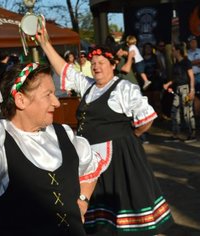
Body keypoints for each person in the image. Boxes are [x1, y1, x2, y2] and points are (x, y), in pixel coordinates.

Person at [0, 36, 106, 235]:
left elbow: (91, 168)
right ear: (20, 100)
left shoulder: (64, 134)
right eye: (48, 95)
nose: (56, 102)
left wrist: (83, 201)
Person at [37, 29, 174, 235]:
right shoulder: (89, 86)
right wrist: (45, 44)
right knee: (98, 217)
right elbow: (65, 70)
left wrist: (130, 137)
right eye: (93, 63)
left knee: (121, 209)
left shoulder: (124, 88)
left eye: (101, 62)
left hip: (117, 157)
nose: (96, 66)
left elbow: (147, 118)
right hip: (91, 158)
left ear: (113, 65)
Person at [163, 43, 196, 143]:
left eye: (173, 50)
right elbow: (176, 78)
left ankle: (192, 135)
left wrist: (192, 90)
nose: (172, 52)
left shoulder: (186, 62)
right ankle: (175, 134)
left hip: (185, 88)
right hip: (177, 89)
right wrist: (168, 84)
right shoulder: (176, 64)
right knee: (174, 111)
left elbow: (191, 76)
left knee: (187, 112)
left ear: (178, 51)